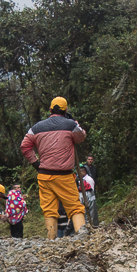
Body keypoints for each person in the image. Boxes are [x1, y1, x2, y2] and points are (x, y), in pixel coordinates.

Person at [19, 97, 87, 238]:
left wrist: (36, 164)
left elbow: (24, 146)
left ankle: (51, 242)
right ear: (66, 110)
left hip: (44, 175)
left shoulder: (36, 128)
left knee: (49, 211)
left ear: (50, 110)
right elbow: (81, 137)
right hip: (65, 176)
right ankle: (83, 239)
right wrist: (75, 123)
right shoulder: (70, 125)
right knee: (75, 208)